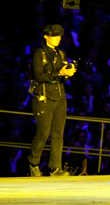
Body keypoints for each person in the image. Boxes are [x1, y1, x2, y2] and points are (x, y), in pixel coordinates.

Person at [28, 24, 76, 177]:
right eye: (54, 36)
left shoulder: (61, 53)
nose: (57, 39)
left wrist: (68, 73)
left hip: (60, 96)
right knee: (43, 132)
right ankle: (33, 162)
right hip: (44, 97)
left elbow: (61, 75)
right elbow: (38, 75)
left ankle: (55, 167)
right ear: (46, 36)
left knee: (58, 133)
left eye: (59, 36)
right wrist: (59, 73)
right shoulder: (39, 53)